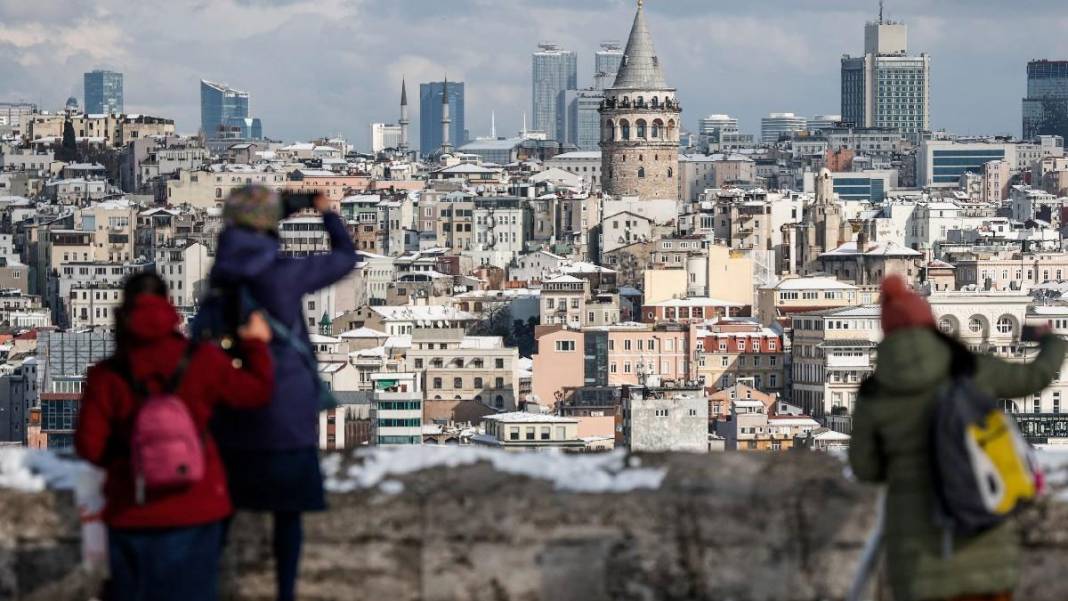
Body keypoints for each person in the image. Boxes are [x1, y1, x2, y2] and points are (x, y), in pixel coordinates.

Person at [850, 275, 1066, 601]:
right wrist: (1052, 342)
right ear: (930, 322)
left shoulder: (875, 393)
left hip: (918, 559)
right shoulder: (969, 367)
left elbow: (864, 468)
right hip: (985, 544)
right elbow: (1034, 378)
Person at [75, 273, 274, 601]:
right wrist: (255, 344)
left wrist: (132, 460)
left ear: (122, 312)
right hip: (197, 506)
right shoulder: (202, 361)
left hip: (132, 511)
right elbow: (255, 393)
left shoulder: (107, 375)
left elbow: (90, 447)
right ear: (170, 306)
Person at [209, 185, 356, 601]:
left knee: (223, 512)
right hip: (286, 411)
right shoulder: (280, 272)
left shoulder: (221, 273)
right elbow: (345, 258)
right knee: (287, 515)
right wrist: (325, 214)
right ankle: (285, 593)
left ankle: (206, 587)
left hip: (233, 410)